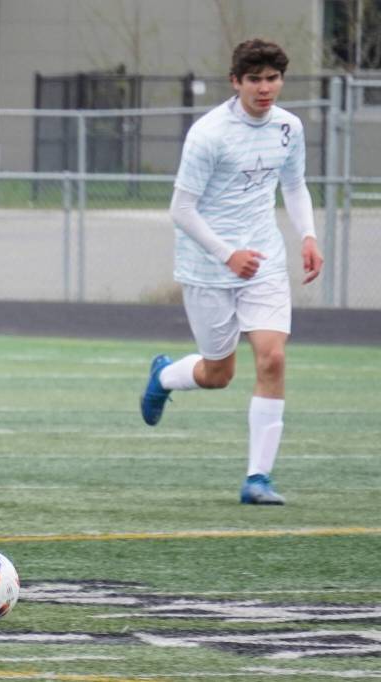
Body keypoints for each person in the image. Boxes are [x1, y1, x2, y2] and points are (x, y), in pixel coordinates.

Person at [140, 39, 323, 505]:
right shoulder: (209, 134)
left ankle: (258, 479)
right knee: (218, 373)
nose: (265, 88)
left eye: (273, 79)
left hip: (264, 261)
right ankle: (164, 376)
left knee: (272, 358)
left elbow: (294, 185)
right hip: (208, 266)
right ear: (235, 82)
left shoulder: (289, 127)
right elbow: (181, 209)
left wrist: (307, 235)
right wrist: (227, 255)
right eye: (255, 79)